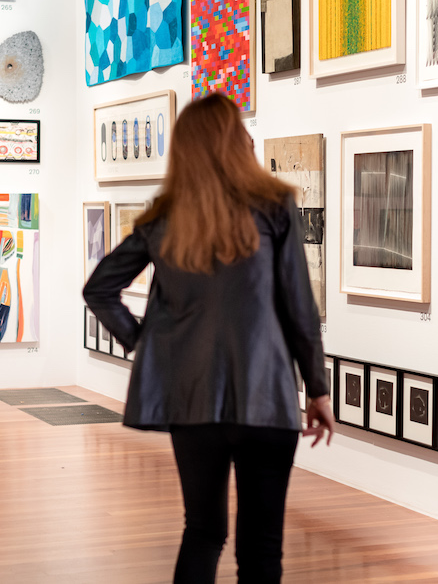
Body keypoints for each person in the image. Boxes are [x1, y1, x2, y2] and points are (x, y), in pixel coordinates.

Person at [83, 93, 335, 583]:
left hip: (191, 397)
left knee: (202, 530)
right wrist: (318, 389)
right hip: (266, 396)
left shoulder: (163, 218)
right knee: (262, 548)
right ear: (234, 140)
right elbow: (299, 308)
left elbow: (100, 289)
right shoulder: (276, 206)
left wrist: (145, 344)